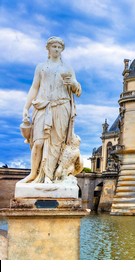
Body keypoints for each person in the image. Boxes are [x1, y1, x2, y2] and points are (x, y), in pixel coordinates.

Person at [20, 36, 81, 184]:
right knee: (38, 142)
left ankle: (49, 176)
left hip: (62, 107)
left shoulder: (67, 68)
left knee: (56, 143)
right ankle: (34, 174)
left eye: (59, 47)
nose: (56, 49)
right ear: (48, 48)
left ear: (62, 50)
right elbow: (34, 87)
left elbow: (77, 90)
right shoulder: (41, 67)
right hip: (43, 106)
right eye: (54, 46)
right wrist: (26, 107)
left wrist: (73, 83)